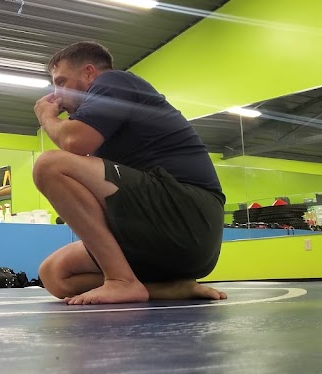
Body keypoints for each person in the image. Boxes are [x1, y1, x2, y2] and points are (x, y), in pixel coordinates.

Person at [33, 41, 228, 305]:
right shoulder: (103, 124)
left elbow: (73, 141)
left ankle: (121, 280)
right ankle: (169, 289)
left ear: (89, 73)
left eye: (61, 82)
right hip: (164, 236)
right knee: (53, 275)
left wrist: (46, 118)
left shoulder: (114, 81)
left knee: (49, 165)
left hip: (189, 218)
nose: (56, 96)